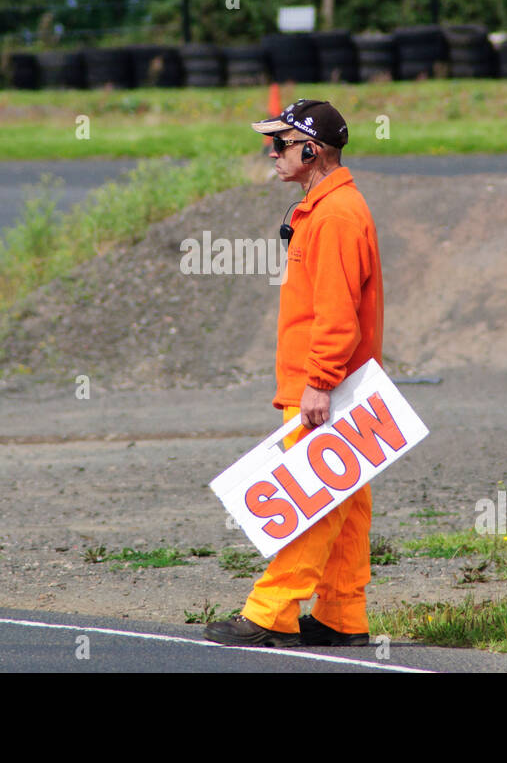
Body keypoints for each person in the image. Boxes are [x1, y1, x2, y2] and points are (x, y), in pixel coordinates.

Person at [204, 98, 384, 648]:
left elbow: (335, 314)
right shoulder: (329, 207)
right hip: (342, 384)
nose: (272, 153)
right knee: (347, 505)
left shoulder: (333, 216)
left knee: (312, 499)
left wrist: (319, 382)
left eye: (279, 144)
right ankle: (341, 615)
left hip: (326, 387)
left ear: (313, 149)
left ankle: (271, 611)